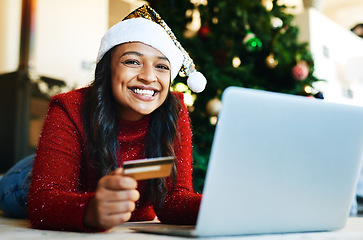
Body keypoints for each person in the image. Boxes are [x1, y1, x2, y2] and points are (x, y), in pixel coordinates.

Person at [0, 4, 207, 232]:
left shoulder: (174, 111)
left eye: (161, 66)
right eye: (132, 61)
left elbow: (173, 201)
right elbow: (43, 203)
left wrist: (221, 205)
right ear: (106, 70)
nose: (149, 76)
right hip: (27, 181)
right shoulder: (69, 107)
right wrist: (91, 209)